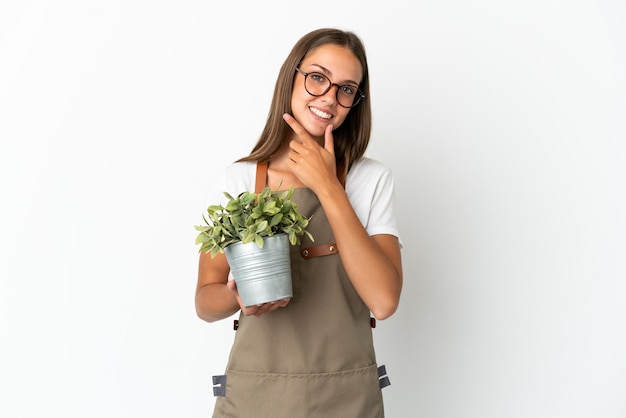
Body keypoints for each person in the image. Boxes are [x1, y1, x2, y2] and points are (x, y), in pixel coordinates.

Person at [195, 27, 403, 418]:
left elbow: (384, 300)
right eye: (317, 78)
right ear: (292, 76)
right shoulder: (238, 180)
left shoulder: (371, 180)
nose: (329, 97)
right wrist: (237, 296)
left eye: (346, 89)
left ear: (356, 102)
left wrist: (328, 186)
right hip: (255, 397)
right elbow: (205, 302)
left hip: (347, 398)